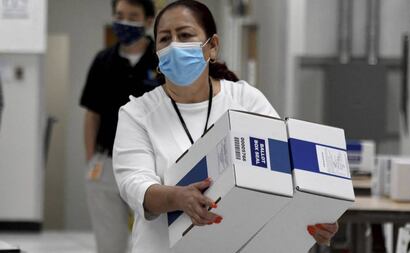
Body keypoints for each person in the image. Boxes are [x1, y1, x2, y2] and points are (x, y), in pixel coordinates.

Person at [112, 1, 339, 252]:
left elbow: (284, 168)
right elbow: (135, 184)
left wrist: (312, 214)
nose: (175, 45)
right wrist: (177, 197)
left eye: (185, 35)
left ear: (212, 47)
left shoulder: (245, 100)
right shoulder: (137, 114)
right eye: (165, 39)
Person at [79, 0, 159, 252]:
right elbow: (92, 115)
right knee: (109, 242)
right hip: (106, 164)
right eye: (119, 15)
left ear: (148, 21)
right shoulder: (103, 61)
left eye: (132, 16)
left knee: (152, 240)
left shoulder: (161, 60)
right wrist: (92, 159)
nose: (124, 21)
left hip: (153, 164)